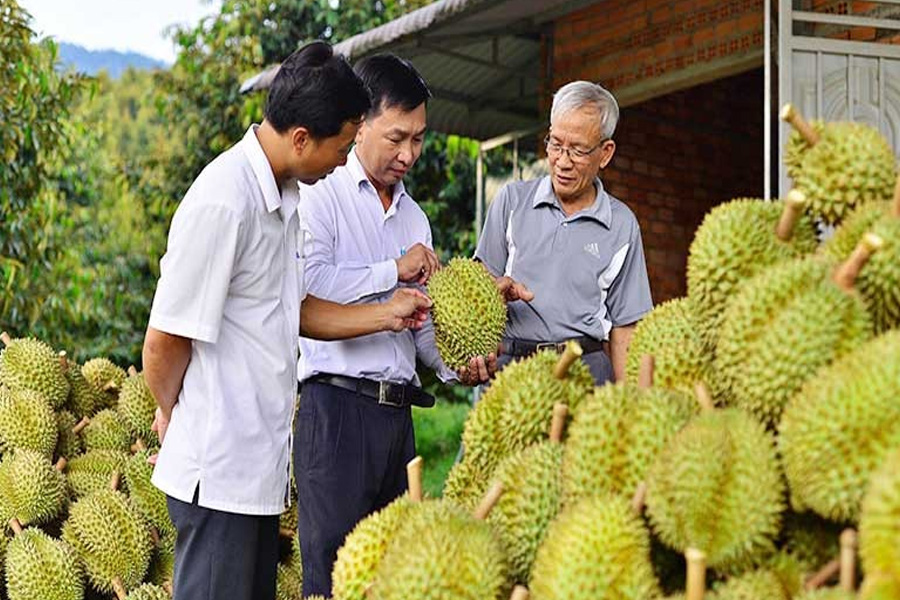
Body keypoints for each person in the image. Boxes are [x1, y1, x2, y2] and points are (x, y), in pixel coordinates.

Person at [141, 42, 432, 600]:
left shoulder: (284, 197)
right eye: (341, 148)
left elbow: (294, 310)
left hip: (257, 471)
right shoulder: (225, 200)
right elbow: (164, 340)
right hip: (218, 470)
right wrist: (175, 415)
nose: (343, 161)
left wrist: (387, 313)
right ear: (301, 138)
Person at [294, 53, 531, 597]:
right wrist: (392, 269)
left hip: (397, 418)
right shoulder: (321, 196)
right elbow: (307, 290)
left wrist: (455, 367)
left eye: (419, 139)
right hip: (336, 413)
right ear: (359, 124)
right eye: (397, 138)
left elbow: (420, 324)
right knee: (331, 576)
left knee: (399, 573)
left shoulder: (415, 217)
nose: (409, 154)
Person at [475, 80, 653, 385]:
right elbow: (477, 286)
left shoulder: (622, 225)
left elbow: (626, 329)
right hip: (514, 369)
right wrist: (492, 294)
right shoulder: (512, 201)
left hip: (586, 372)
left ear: (605, 153)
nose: (562, 161)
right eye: (555, 144)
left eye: (578, 150)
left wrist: (632, 403)